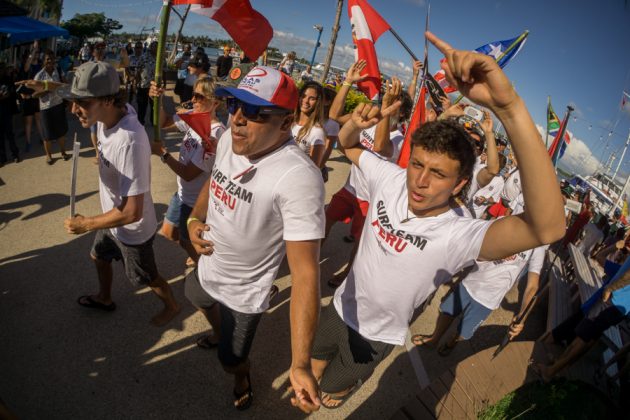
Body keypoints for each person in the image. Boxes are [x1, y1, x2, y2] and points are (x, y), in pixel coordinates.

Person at [304, 31, 565, 410]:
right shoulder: (392, 178)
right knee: (312, 372)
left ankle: (338, 392)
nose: (420, 181)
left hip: (376, 335)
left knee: (330, 395)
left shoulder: (459, 232)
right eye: (418, 164)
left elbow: (547, 228)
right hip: (341, 306)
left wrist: (509, 109)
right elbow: (347, 145)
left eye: (438, 174)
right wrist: (356, 124)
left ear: (461, 182)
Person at [184, 66, 323, 412]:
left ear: (287, 122)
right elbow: (215, 180)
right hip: (207, 265)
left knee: (230, 359)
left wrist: (301, 363)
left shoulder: (299, 177)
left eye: (256, 111)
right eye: (234, 104)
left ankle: (241, 378)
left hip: (245, 292)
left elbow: (306, 275)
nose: (238, 119)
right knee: (193, 295)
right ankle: (219, 332)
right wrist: (193, 218)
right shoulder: (232, 138)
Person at [61, 61, 180, 326]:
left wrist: (86, 224)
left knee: (146, 277)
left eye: (82, 103)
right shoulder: (112, 114)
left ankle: (172, 305)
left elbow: (132, 211)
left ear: (106, 100)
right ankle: (105, 297)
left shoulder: (129, 140)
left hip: (131, 229)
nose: (73, 109)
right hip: (110, 218)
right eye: (73, 101)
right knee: (98, 255)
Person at [325, 70, 408, 288]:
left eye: (393, 104)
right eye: (385, 100)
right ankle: (310, 257)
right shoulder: (370, 120)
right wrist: (348, 83)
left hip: (370, 200)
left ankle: (346, 274)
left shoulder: (400, 139)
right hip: (350, 189)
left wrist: (386, 112)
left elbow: (381, 146)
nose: (385, 105)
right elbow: (334, 118)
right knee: (324, 222)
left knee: (360, 244)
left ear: (402, 114)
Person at [413, 241, 548, 355]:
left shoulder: (538, 247)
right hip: (469, 283)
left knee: (464, 331)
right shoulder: (509, 221)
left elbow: (532, 286)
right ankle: (435, 338)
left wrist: (522, 317)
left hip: (489, 300)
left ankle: (452, 341)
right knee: (447, 312)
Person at [148, 76, 225, 267]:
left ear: (214, 102)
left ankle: (204, 269)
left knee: (184, 238)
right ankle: (197, 256)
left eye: (199, 96)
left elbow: (189, 173)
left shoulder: (215, 133)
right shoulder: (194, 116)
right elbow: (165, 122)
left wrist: (163, 154)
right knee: (168, 232)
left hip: (194, 202)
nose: (193, 100)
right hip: (182, 194)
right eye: (193, 94)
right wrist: (157, 99)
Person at [533, 260, 630, 382]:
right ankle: (557, 367)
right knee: (589, 337)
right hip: (621, 306)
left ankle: (550, 371)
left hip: (614, 299)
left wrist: (611, 288)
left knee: (583, 337)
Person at [26, 50, 70, 165]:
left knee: (61, 132)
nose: (50, 61)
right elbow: (35, 95)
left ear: (55, 59)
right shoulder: (39, 76)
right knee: (47, 135)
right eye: (47, 59)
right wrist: (47, 89)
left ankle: (63, 152)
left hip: (59, 105)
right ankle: (49, 156)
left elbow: (65, 85)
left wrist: (64, 89)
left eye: (51, 58)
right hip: (46, 108)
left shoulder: (59, 71)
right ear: (44, 61)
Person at [292, 81, 326, 167]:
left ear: (318, 102)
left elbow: (314, 168)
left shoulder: (317, 132)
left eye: (312, 98)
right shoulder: (288, 121)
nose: (306, 101)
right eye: (303, 96)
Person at [0, 63, 20, 166]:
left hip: (6, 112)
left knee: (9, 134)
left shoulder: (8, 80)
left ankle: (15, 154)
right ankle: (2, 158)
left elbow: (8, 94)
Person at [136, 41, 160, 126]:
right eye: (154, 46)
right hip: (143, 85)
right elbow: (138, 70)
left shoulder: (160, 58)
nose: (155, 48)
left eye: (157, 46)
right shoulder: (144, 56)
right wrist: (136, 84)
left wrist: (164, 82)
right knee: (142, 105)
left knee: (154, 106)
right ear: (150, 47)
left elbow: (164, 70)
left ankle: (153, 122)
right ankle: (140, 122)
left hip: (155, 86)